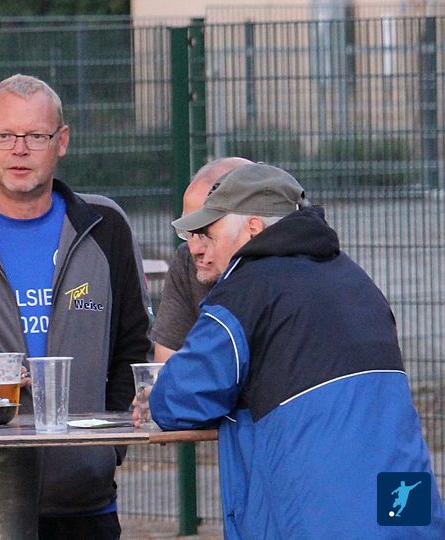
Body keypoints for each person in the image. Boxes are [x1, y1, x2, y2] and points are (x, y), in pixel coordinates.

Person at [0, 73, 151, 539]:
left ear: (62, 141)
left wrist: (105, 450)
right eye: (6, 136)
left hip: (81, 500)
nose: (20, 149)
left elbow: (133, 347)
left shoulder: (105, 226)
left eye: (36, 136)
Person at [148, 163, 445, 538]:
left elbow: (177, 401)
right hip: (406, 505)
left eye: (210, 231)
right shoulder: (357, 280)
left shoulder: (242, 292)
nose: (199, 245)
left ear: (252, 228)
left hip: (322, 516)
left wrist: (157, 394)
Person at [151, 157, 252, 362]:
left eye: (207, 232)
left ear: (250, 228)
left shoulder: (274, 271)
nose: (195, 248)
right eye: (188, 231)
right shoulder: (186, 261)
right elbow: (167, 366)